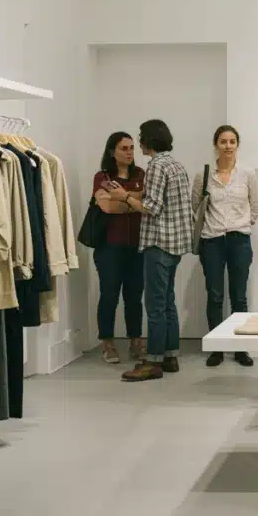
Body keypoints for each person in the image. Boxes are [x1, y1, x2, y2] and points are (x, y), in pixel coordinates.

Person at [106, 119, 193, 382]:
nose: (138, 143)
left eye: (140, 137)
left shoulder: (155, 166)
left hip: (158, 242)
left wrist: (125, 197)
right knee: (167, 302)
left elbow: (153, 208)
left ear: (149, 140)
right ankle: (170, 354)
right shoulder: (175, 164)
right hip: (176, 243)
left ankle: (153, 361)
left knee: (155, 305)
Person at [194, 125, 258, 367]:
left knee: (239, 296)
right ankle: (217, 348)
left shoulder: (248, 174)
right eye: (223, 141)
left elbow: (255, 206)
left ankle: (241, 349)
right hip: (211, 241)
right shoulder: (204, 175)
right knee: (215, 295)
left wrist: (241, 225)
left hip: (239, 239)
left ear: (237, 145)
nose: (228, 146)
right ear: (216, 145)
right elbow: (196, 206)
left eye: (232, 141)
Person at [91, 132, 146, 364]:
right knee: (109, 294)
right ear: (112, 151)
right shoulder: (102, 176)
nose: (129, 152)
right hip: (109, 247)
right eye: (124, 148)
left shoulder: (141, 174)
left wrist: (122, 197)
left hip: (137, 247)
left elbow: (146, 203)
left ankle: (135, 341)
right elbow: (107, 207)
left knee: (134, 296)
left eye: (132, 147)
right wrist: (132, 201)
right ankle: (108, 342)